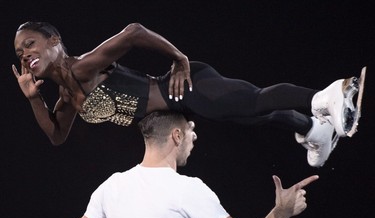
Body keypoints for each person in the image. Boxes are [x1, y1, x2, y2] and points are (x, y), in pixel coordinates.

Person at [12, 21, 361, 167]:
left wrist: (179, 60)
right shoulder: (66, 99)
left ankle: (328, 95)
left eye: (30, 43)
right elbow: (57, 136)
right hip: (185, 102)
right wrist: (33, 99)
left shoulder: (83, 67)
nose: (25, 54)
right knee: (254, 114)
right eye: (20, 53)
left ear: (54, 41)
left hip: (185, 88)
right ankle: (317, 130)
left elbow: (133, 32)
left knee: (256, 101)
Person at [65, 110, 319, 218]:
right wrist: (281, 213)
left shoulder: (112, 187)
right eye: (191, 129)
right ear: (177, 135)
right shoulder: (188, 189)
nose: (194, 136)